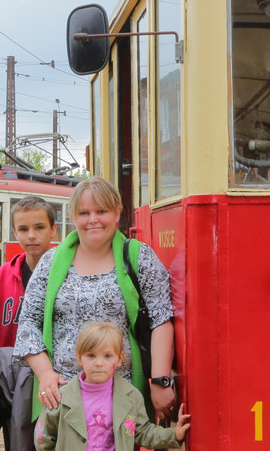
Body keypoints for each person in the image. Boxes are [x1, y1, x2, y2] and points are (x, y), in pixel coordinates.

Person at [15, 176, 177, 423]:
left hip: (121, 400)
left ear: (117, 213)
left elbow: (161, 319)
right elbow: (28, 323)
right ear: (73, 217)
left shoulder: (139, 257)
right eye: (84, 213)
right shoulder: (50, 262)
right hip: (62, 399)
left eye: (101, 211)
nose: (92, 220)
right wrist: (46, 374)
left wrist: (159, 380)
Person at [35, 321, 189, 451]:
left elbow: (142, 432)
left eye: (107, 356)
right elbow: (43, 438)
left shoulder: (130, 397)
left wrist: (173, 435)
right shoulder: (62, 397)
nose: (99, 363)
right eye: (91, 355)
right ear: (79, 356)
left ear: (119, 358)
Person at [0, 197, 57, 451]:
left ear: (53, 229)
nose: (31, 236)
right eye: (23, 229)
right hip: (13, 389)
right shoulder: (2, 277)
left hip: (51, 385)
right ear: (15, 232)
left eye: (39, 227)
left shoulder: (65, 272)